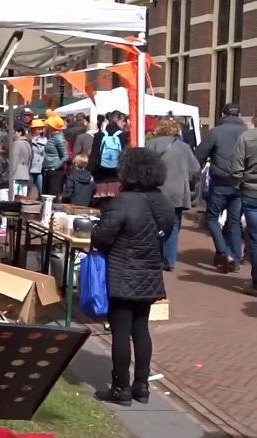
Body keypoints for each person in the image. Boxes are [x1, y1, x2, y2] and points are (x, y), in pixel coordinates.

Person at [92, 148, 174, 406]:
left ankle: (121, 388)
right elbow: (166, 233)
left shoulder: (123, 201)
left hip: (123, 272)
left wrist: (97, 229)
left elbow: (102, 237)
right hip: (149, 273)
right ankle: (142, 386)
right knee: (141, 329)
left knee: (120, 331)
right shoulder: (163, 201)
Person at [195, 103, 247, 272]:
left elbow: (199, 154)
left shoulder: (216, 131)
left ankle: (225, 253)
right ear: (239, 114)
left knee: (212, 218)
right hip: (240, 183)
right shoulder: (247, 133)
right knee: (234, 222)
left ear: (223, 114)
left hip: (220, 182)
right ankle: (236, 259)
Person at [146, 118, 200, 271]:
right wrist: (189, 184)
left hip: (157, 190)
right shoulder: (184, 147)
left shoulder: (151, 145)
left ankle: (155, 256)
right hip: (178, 192)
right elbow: (195, 170)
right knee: (174, 225)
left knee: (153, 223)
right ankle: (169, 260)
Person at [230, 112, 257, 290]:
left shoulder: (246, 137)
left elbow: (236, 168)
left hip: (251, 193)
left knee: (255, 238)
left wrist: (239, 184)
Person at [42, 116, 68, 197]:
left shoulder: (58, 138)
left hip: (54, 172)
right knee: (48, 196)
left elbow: (65, 156)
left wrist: (55, 166)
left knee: (52, 196)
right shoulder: (53, 137)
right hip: (50, 170)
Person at [10, 123, 32, 198]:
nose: (12, 135)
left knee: (15, 198)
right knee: (24, 197)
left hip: (16, 175)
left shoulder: (16, 144)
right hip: (25, 173)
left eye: (13, 133)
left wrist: (10, 174)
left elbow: (14, 160)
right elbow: (30, 159)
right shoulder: (28, 143)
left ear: (19, 132)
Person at [28, 119, 46, 199]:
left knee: (41, 190)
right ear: (33, 129)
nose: (40, 130)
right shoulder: (29, 139)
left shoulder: (45, 140)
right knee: (28, 190)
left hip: (40, 168)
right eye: (38, 129)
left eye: (41, 128)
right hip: (31, 167)